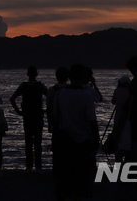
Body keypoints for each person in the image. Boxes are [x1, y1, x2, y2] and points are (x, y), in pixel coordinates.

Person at [52, 63, 99, 201]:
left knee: (65, 181)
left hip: (64, 144)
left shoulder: (59, 94)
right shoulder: (86, 96)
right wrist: (95, 141)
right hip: (83, 144)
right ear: (84, 76)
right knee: (83, 183)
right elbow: (92, 122)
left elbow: (55, 119)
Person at [10, 65, 47, 172]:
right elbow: (50, 96)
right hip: (38, 116)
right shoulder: (40, 86)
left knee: (28, 143)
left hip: (27, 117)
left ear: (27, 74)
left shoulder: (23, 86)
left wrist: (18, 111)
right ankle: (38, 167)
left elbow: (12, 99)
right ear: (36, 74)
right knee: (38, 143)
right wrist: (46, 110)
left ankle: (29, 166)